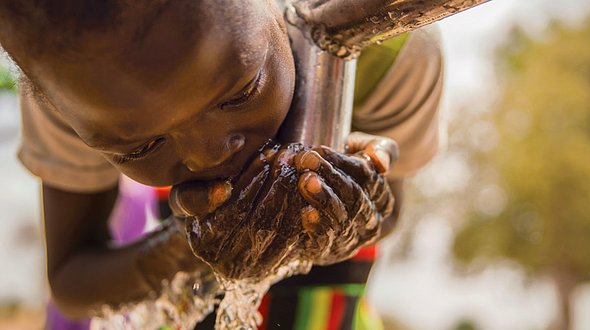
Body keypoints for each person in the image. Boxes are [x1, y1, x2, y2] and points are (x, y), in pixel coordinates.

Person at [0, 0, 442, 328]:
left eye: (239, 95)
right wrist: (182, 246)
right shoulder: (70, 82)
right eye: (140, 149)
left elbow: (390, 210)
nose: (208, 155)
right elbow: (72, 282)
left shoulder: (388, 42)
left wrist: (348, 196)